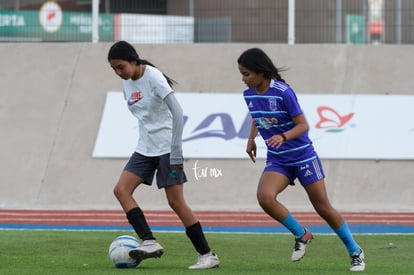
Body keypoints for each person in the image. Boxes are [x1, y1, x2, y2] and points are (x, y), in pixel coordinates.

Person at [237, 48, 365, 272]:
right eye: (242, 74)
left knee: (323, 208)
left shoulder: (283, 92)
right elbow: (257, 117)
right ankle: (301, 234)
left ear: (260, 72)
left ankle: (355, 251)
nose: (243, 79)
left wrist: (283, 136)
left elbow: (304, 125)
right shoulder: (248, 95)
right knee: (265, 197)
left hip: (303, 156)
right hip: (278, 160)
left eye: (247, 74)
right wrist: (251, 139)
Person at [107, 41, 219, 270]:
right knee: (121, 190)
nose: (119, 73)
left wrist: (176, 152)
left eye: (121, 67)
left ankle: (208, 255)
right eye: (115, 69)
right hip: (145, 148)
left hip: (168, 147)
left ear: (133, 60)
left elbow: (177, 112)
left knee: (175, 202)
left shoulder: (154, 77)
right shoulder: (126, 82)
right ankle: (149, 241)